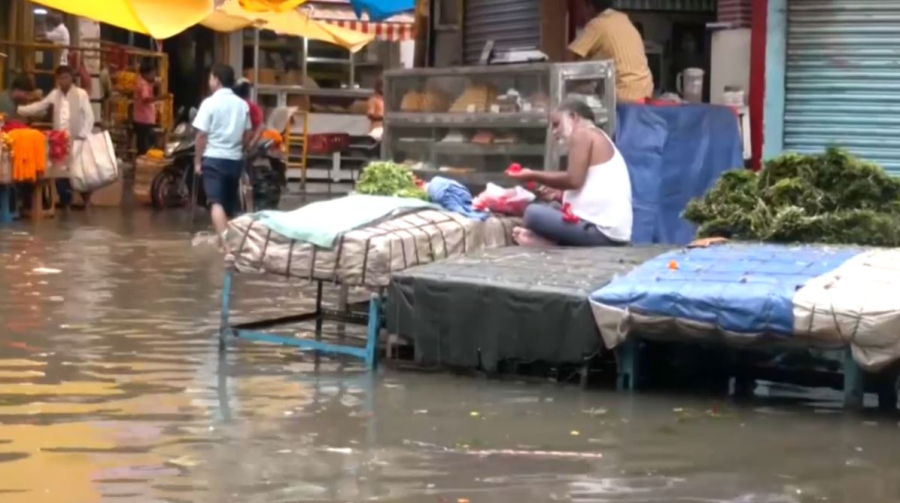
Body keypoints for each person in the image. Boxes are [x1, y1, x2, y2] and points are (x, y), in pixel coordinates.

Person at [507, 98, 632, 247]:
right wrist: (558, 194)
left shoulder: (582, 133)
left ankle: (552, 244)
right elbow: (584, 186)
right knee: (551, 207)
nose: (554, 132)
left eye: (556, 125)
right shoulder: (595, 135)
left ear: (573, 117)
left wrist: (532, 174)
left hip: (602, 234)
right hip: (608, 232)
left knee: (532, 213)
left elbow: (573, 180)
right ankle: (553, 242)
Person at [18, 65, 95, 210]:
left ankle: (85, 201)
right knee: (60, 172)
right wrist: (19, 110)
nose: (62, 81)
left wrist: (82, 136)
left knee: (80, 172)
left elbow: (90, 118)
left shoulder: (81, 94)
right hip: (59, 140)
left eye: (65, 78)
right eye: (60, 78)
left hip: (77, 139)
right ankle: (66, 201)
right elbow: (40, 106)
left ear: (71, 78)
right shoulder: (55, 94)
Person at [193, 64, 252, 251]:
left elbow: (201, 135)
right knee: (228, 206)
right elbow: (248, 132)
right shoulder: (242, 104)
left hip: (214, 158)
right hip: (234, 160)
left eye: (210, 78)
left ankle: (226, 245)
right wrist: (240, 149)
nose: (209, 82)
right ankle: (223, 244)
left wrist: (197, 162)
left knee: (215, 202)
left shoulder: (209, 103)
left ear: (216, 80)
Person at [569, 0, 653, 103]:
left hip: (624, 96)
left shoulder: (598, 23)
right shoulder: (623, 19)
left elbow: (569, 58)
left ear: (589, 6)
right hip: (645, 92)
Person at [133, 60, 164, 155]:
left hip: (141, 119)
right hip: (143, 120)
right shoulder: (143, 85)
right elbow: (146, 99)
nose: (154, 75)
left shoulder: (142, 81)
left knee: (142, 145)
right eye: (153, 73)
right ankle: (142, 166)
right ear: (146, 73)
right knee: (144, 148)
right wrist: (160, 98)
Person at [233, 77, 264, 144]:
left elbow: (259, 127)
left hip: (245, 142)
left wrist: (250, 144)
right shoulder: (250, 105)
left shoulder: (251, 106)